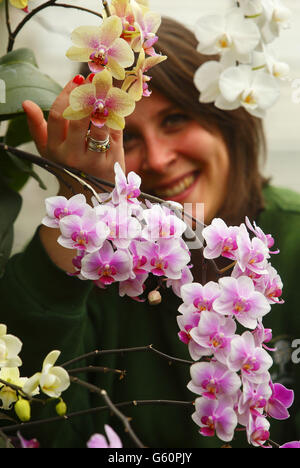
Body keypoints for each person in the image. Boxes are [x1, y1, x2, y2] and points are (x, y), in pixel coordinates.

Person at [0, 16, 299, 448]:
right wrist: (77, 200)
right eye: (130, 138)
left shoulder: (293, 241)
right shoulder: (101, 268)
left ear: (229, 120)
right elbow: (40, 426)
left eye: (176, 119)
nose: (158, 159)